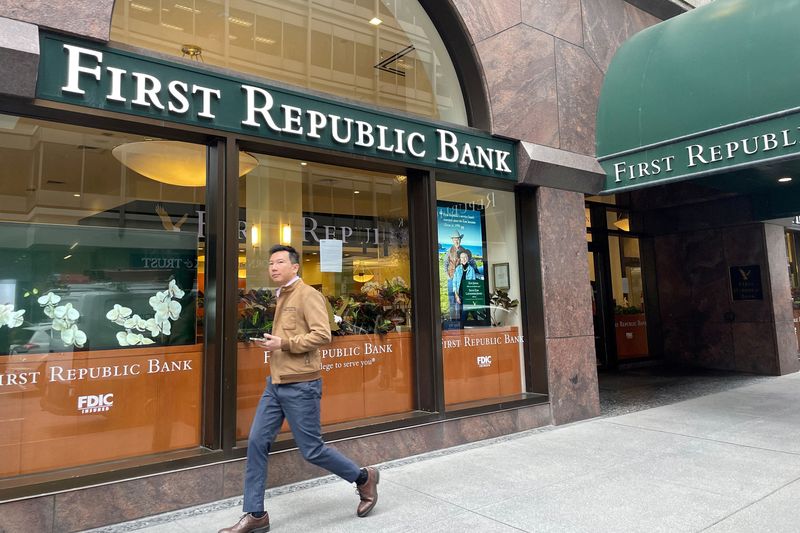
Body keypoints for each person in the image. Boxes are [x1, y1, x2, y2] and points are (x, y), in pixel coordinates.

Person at [219, 244, 379, 533]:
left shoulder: (308, 295)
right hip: (276, 384)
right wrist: (273, 343)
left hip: (302, 385)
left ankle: (363, 477)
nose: (273, 267)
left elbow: (322, 334)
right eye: (270, 263)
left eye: (279, 262)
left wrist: (283, 344)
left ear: (295, 267)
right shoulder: (281, 296)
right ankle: (256, 514)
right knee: (256, 443)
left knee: (312, 450)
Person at [442, 229, 466, 319]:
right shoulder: (449, 251)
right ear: (452, 240)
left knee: (461, 299)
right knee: (452, 300)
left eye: (458, 239)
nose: (457, 241)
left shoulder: (464, 250)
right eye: (455, 239)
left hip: (461, 280)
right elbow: (445, 264)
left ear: (460, 239)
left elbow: (469, 263)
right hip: (451, 279)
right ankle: (453, 320)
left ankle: (460, 320)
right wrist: (448, 277)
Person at [452, 250, 480, 322]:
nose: (463, 259)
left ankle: (464, 326)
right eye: (462, 257)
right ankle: (476, 320)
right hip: (459, 294)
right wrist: (456, 296)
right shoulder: (457, 269)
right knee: (462, 313)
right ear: (460, 259)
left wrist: (472, 297)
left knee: (464, 315)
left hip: (468, 295)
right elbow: (454, 282)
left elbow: (473, 284)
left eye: (465, 257)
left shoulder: (471, 270)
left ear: (467, 258)